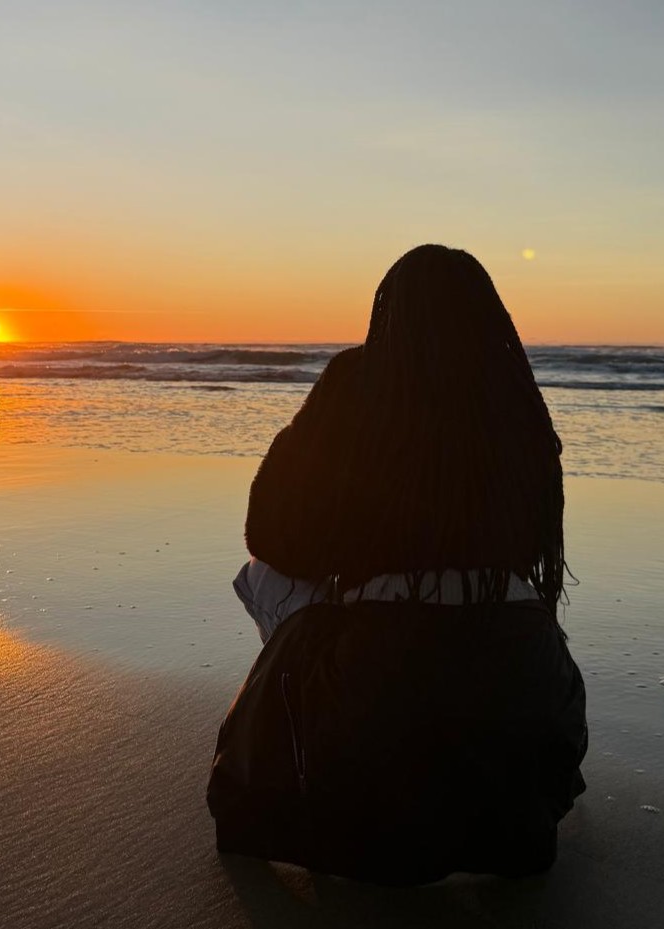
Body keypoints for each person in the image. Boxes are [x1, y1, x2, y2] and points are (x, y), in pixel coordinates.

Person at [209, 245, 587, 885]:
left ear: (386, 311)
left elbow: (270, 534)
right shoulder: (517, 401)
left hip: (377, 674)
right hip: (523, 669)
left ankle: (305, 731)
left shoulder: (357, 380)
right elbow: (531, 552)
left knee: (260, 573)